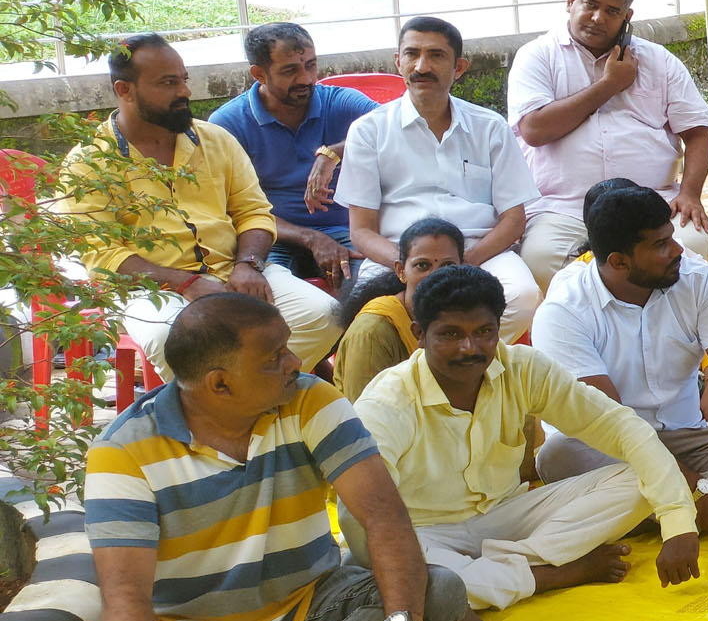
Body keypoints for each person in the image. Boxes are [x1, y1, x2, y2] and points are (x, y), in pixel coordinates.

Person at [63, 295, 469, 621]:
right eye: (275, 356)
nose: (295, 363)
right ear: (220, 383)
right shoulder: (122, 452)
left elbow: (382, 515)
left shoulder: (310, 398)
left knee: (440, 592)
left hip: (313, 607)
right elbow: (126, 597)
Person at [354, 265, 703, 616]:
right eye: (450, 334)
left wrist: (677, 522)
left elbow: (621, 427)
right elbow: (360, 515)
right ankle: (552, 574)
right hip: (424, 533)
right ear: (419, 334)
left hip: (508, 518)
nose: (469, 347)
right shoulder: (388, 402)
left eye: (484, 332)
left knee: (637, 481)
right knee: (414, 578)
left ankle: (497, 576)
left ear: (498, 330)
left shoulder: (522, 368)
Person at [533, 187, 708, 530]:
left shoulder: (696, 280)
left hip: (686, 438)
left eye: (671, 237)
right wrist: (700, 489)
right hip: (609, 449)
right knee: (558, 456)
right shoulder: (563, 310)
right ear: (619, 262)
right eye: (660, 245)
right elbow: (610, 425)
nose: (678, 250)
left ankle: (646, 518)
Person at [63, 33, 340, 377]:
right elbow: (100, 253)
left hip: (234, 269)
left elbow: (253, 211)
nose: (184, 92)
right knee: (171, 339)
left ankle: (243, 400)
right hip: (151, 288)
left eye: (183, 80)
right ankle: (235, 408)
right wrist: (185, 282)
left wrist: (249, 264)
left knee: (324, 315)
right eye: (168, 83)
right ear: (125, 90)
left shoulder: (214, 139)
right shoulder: (90, 162)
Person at [508, 0, 708, 283]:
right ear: (571, 0)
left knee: (691, 245)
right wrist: (608, 85)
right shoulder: (537, 55)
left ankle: (655, 329)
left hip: (651, 203)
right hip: (563, 208)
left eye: (612, 11)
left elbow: (699, 133)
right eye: (590, 4)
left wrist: (690, 193)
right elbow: (534, 130)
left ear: (627, 16)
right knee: (538, 256)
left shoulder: (658, 60)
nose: (597, 18)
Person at [334, 17, 540, 341]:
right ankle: (417, 380)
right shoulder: (368, 131)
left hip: (477, 250)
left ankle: (459, 370)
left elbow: (514, 219)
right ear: (397, 62)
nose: (421, 66)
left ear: (459, 67)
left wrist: (461, 263)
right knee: (371, 321)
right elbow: (360, 230)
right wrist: (408, 265)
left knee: (522, 296)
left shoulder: (489, 127)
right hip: (398, 253)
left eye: (436, 55)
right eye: (412, 54)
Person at [209, 21, 373, 282]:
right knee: (267, 296)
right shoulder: (228, 124)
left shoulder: (340, 103)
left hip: (346, 231)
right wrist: (310, 238)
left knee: (369, 288)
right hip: (269, 238)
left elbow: (399, 129)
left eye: (311, 65)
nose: (306, 79)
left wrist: (334, 152)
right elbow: (227, 208)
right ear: (259, 74)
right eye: (290, 71)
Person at [332, 218, 467, 399]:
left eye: (447, 266)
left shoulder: (466, 318)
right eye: (423, 265)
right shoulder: (371, 332)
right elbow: (364, 418)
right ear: (401, 271)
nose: (436, 276)